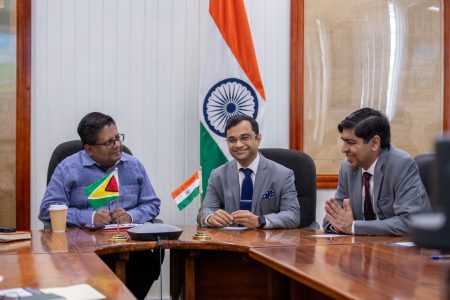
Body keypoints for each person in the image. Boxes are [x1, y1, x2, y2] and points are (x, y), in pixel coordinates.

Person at [39, 112, 161, 300]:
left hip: (128, 245)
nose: (118, 145)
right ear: (88, 148)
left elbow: (152, 204)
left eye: (118, 138)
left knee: (149, 263)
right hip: (84, 248)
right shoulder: (68, 168)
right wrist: (89, 217)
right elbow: (48, 208)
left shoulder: (133, 165)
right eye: (109, 143)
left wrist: (131, 216)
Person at [323, 108, 432, 236]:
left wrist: (353, 227)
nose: (344, 149)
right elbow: (332, 218)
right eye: (343, 141)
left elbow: (409, 222)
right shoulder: (348, 167)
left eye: (351, 143)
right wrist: (340, 224)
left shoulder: (401, 165)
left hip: (410, 249)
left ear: (374, 143)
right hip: (366, 248)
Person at [197, 115, 300, 229]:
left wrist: (261, 221)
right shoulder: (218, 175)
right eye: (232, 140)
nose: (238, 145)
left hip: (266, 242)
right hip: (230, 242)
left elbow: (292, 216)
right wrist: (210, 218)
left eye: (245, 138)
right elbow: (205, 211)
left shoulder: (283, 174)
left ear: (258, 139)